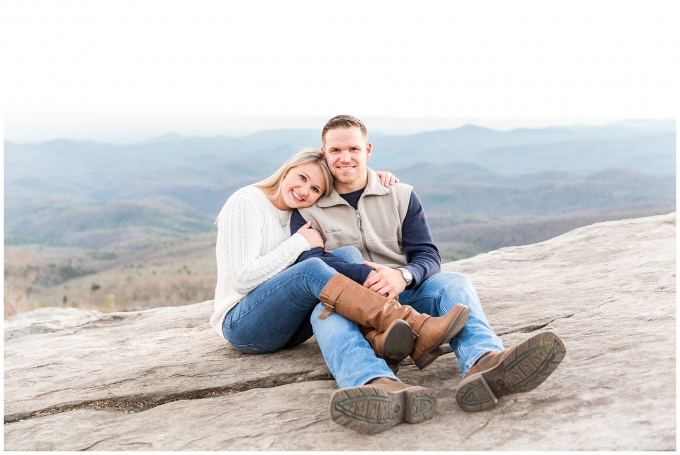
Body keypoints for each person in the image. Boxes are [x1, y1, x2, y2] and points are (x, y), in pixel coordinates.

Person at [291, 115, 567, 426]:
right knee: (322, 315)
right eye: (336, 150)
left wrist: (402, 276)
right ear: (323, 152)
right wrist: (363, 279)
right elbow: (309, 261)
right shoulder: (306, 205)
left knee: (453, 283)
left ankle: (484, 362)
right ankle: (376, 385)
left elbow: (426, 254)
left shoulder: (400, 194)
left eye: (353, 149)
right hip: (351, 306)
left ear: (367, 150)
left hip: (404, 295)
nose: (345, 157)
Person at [210, 149, 470, 435]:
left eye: (315, 189)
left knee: (345, 254)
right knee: (312, 268)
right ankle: (412, 325)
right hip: (244, 324)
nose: (303, 190)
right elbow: (242, 279)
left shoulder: (295, 213)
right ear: (288, 169)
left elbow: (347, 176)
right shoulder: (246, 201)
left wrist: (377, 177)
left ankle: (378, 364)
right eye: (302, 177)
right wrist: (298, 243)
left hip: (286, 324)